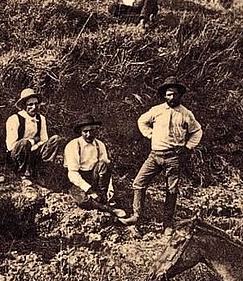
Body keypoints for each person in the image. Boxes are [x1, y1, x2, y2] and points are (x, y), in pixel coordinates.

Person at [128, 77, 203, 234]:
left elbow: (197, 131)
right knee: (139, 183)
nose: (172, 97)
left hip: (174, 157)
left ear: (180, 95)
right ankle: (136, 216)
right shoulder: (156, 111)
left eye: (175, 94)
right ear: (164, 95)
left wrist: (188, 147)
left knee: (171, 190)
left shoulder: (186, 114)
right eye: (169, 94)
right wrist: (151, 135)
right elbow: (142, 121)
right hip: (155, 155)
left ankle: (167, 224)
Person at [63, 114, 117, 212]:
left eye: (91, 131)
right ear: (80, 132)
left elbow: (106, 169)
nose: (89, 134)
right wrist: (89, 190)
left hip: (94, 177)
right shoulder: (73, 146)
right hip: (78, 180)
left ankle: (102, 197)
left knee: (103, 164)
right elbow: (73, 173)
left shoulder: (100, 145)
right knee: (82, 200)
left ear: (96, 130)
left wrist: (110, 189)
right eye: (85, 131)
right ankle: (107, 209)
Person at [4, 88, 61, 179]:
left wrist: (35, 146)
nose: (34, 107)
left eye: (36, 104)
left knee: (55, 139)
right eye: (30, 104)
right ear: (24, 105)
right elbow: (11, 146)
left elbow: (44, 140)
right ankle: (23, 174)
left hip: (35, 151)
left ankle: (43, 170)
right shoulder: (14, 119)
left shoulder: (41, 118)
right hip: (19, 155)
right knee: (24, 143)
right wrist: (32, 141)